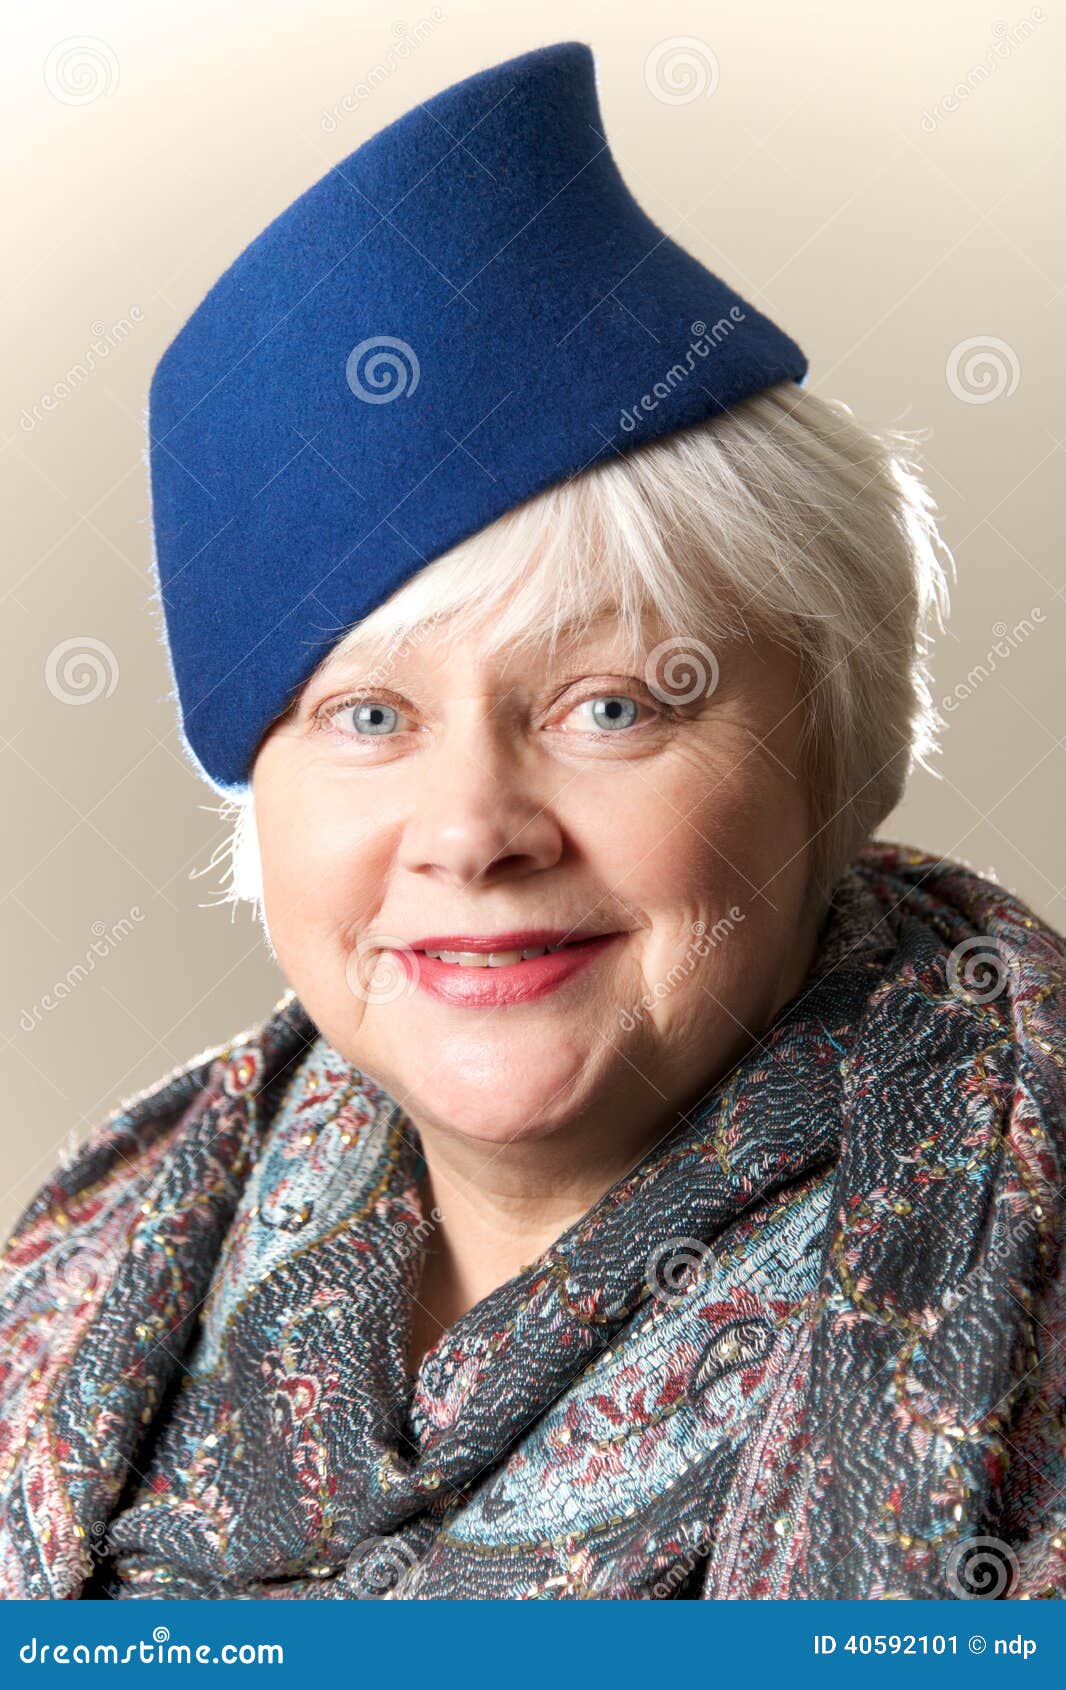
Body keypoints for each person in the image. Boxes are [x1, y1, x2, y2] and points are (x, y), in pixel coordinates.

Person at [1, 40, 1063, 1602]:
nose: (474, 829)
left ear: (830, 746)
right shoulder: (85, 1274)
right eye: (368, 717)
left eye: (612, 705)